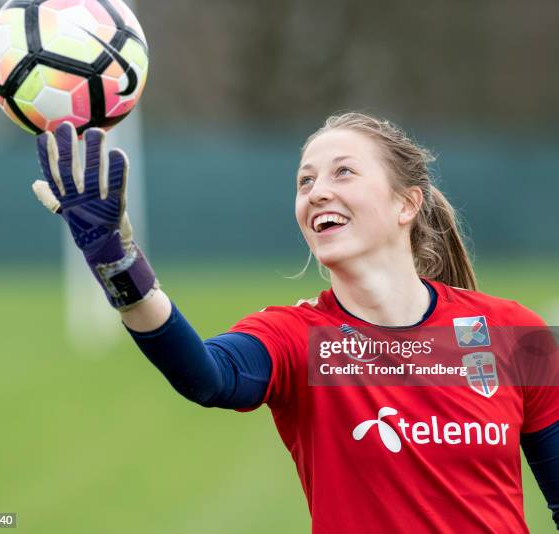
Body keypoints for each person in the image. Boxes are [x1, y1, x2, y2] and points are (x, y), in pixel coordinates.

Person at [32, 113, 558, 533]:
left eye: (342, 172)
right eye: (305, 181)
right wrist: (121, 268)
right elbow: (209, 376)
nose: (317, 192)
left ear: (406, 204)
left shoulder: (513, 334)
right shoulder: (300, 339)